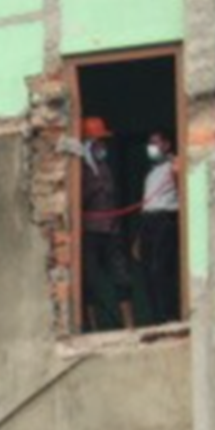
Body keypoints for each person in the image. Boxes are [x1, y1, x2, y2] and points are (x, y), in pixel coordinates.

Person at [74, 117, 136, 330]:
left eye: (103, 141)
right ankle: (94, 327)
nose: (103, 145)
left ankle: (129, 325)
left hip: (111, 230)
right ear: (88, 143)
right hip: (90, 231)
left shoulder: (105, 166)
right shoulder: (79, 168)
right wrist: (94, 186)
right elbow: (77, 199)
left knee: (122, 277)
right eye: (98, 141)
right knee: (89, 280)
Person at [138, 130, 182, 325]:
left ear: (167, 145)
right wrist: (139, 236)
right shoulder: (152, 171)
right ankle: (156, 317)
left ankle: (168, 315)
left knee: (160, 269)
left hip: (165, 219)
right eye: (150, 143)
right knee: (147, 271)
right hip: (148, 222)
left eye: (156, 143)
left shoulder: (175, 165)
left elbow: (182, 190)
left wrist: (176, 165)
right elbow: (147, 203)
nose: (152, 147)